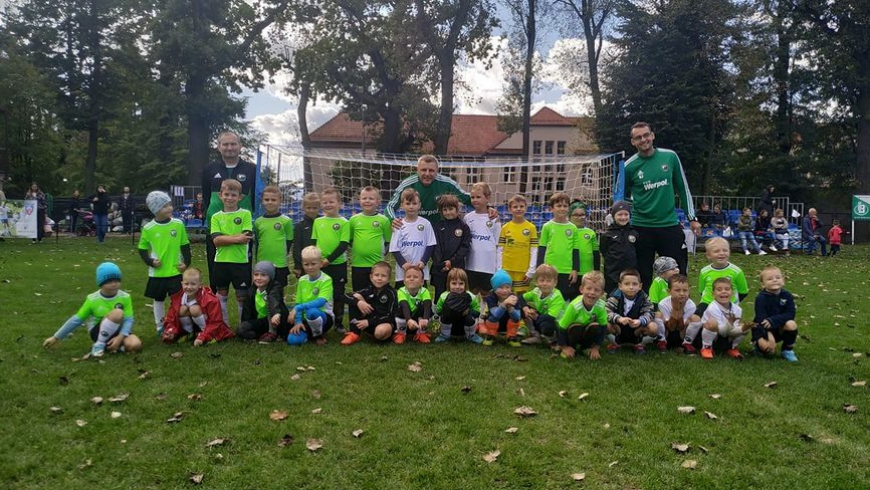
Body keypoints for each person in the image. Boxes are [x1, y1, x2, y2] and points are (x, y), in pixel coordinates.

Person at [622, 122, 701, 290]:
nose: (643, 140)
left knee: (677, 273)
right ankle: (645, 311)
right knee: (642, 275)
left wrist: (692, 218)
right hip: (641, 227)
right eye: (638, 137)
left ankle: (679, 311)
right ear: (632, 142)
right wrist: (634, 206)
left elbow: (683, 187)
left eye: (646, 135)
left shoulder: (670, 157)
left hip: (669, 224)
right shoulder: (629, 166)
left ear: (652, 135)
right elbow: (620, 196)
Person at [42, 262, 142, 357]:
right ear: (101, 283)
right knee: (117, 313)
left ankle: (113, 347)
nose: (114, 284)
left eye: (116, 281)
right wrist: (56, 337)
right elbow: (76, 320)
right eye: (109, 281)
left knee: (135, 345)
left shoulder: (125, 297)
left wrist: (120, 337)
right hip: (97, 332)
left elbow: (128, 319)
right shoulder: (92, 299)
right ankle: (99, 344)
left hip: (119, 331)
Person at [202, 131, 257, 289]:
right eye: (225, 144)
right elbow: (207, 197)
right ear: (218, 147)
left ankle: (244, 312)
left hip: (242, 231)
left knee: (243, 283)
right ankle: (216, 312)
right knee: (217, 282)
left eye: (233, 144)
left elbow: (255, 197)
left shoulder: (251, 169)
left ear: (240, 146)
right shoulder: (209, 169)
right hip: (216, 230)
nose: (229, 147)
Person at [138, 191, 191, 336]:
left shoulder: (178, 224)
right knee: (158, 299)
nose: (170, 208)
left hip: (175, 271)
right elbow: (142, 248)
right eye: (165, 206)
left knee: (178, 300)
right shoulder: (148, 228)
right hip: (158, 273)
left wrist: (186, 263)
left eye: (170, 205)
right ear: (155, 210)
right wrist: (150, 261)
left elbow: (185, 245)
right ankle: (160, 326)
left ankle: (179, 325)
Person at [682, 237, 749, 351]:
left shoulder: (736, 271)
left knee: (729, 326)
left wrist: (730, 302)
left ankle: (730, 346)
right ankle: (688, 342)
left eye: (725, 250)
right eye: (717, 251)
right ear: (708, 255)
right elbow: (701, 290)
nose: (721, 253)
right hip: (707, 302)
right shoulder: (704, 271)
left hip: (727, 304)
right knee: (694, 318)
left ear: (729, 252)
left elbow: (743, 292)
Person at [210, 179, 253, 325]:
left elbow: (246, 237)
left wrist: (224, 238)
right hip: (221, 261)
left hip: (240, 261)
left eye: (233, 195)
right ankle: (225, 325)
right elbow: (216, 241)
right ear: (220, 195)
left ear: (240, 197)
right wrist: (236, 238)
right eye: (226, 194)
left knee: (241, 295)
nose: (229, 198)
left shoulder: (245, 214)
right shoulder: (216, 217)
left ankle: (243, 325)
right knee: (221, 293)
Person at [385, 154, 472, 224]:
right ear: (417, 170)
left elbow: (467, 198)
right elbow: (390, 206)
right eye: (423, 170)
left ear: (437, 170)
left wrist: (486, 207)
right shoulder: (407, 184)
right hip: (416, 230)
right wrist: (392, 220)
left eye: (431, 170)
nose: (427, 174)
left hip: (439, 230)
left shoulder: (447, 183)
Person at [162, 268, 234, 345]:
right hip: (193, 326)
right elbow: (170, 318)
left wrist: (203, 337)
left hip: (210, 329)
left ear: (200, 285)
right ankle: (189, 333)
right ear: (182, 284)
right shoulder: (178, 298)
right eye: (186, 284)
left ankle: (206, 335)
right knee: (182, 309)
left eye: (193, 284)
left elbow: (216, 322)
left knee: (194, 309)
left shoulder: (210, 300)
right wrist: (171, 331)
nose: (189, 287)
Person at [311, 187, 350, 333]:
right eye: (325, 202)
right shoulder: (318, 222)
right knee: (321, 293)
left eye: (331, 202)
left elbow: (343, 245)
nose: (328, 205)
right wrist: (316, 260)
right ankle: (323, 320)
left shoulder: (344, 222)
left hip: (338, 264)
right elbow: (314, 243)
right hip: (320, 265)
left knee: (338, 294)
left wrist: (328, 259)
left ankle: (338, 323)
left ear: (340, 203)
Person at [341, 261, 401, 345]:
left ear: (389, 279)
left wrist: (369, 322)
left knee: (380, 332)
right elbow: (344, 296)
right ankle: (354, 333)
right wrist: (359, 303)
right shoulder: (369, 290)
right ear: (371, 277)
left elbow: (392, 316)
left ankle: (390, 334)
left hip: (383, 322)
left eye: (383, 276)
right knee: (356, 296)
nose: (379, 278)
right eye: (376, 275)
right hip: (368, 320)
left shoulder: (392, 293)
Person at [389, 188, 436, 288]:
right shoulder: (399, 224)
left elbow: (431, 244)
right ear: (402, 205)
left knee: (421, 298)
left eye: (414, 203)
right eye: (408, 203)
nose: (411, 206)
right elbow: (394, 248)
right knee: (402, 299)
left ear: (419, 205)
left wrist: (423, 261)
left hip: (420, 270)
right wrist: (404, 264)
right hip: (403, 273)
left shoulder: (426, 223)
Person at [537, 192, 580, 302]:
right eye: (559, 206)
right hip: (550, 268)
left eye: (565, 206)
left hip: (567, 269)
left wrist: (575, 269)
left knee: (564, 296)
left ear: (569, 208)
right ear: (552, 208)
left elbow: (575, 250)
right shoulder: (547, 226)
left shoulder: (573, 228)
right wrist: (540, 267)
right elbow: (542, 248)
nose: (562, 209)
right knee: (549, 296)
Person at [556, 270, 608, 360]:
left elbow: (603, 328)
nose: (592, 292)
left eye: (596, 290)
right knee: (576, 327)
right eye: (589, 288)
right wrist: (564, 347)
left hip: (587, 331)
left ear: (602, 293)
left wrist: (597, 348)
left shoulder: (601, 306)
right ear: (581, 289)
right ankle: (571, 347)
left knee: (595, 326)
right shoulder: (575, 306)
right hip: (572, 332)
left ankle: (586, 347)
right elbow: (562, 327)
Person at [287, 246, 334, 346]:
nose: (310, 267)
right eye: (306, 264)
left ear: (321, 263)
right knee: (292, 340)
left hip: (323, 317)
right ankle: (309, 334)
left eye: (313, 264)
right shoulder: (302, 280)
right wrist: (298, 321)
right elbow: (298, 302)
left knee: (312, 312)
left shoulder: (326, 280)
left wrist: (298, 308)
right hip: (306, 318)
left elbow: (321, 301)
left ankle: (319, 335)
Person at [348, 186, 392, 292]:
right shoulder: (353, 220)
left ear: (378, 201)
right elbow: (350, 240)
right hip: (358, 264)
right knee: (359, 295)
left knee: (378, 295)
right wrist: (360, 251)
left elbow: (388, 242)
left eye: (371, 199)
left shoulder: (384, 220)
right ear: (360, 200)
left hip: (377, 266)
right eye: (364, 198)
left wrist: (381, 256)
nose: (367, 201)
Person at [253, 185, 293, 296]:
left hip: (279, 264)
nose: (270, 202)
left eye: (273, 200)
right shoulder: (258, 222)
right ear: (262, 201)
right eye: (267, 200)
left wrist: (283, 256)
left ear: (280, 201)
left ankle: (279, 312)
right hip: (263, 262)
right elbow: (257, 241)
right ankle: (263, 313)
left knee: (279, 293)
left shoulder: (286, 221)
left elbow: (289, 241)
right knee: (262, 292)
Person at [237, 261, 290, 343]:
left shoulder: (275, 287)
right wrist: (246, 324)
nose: (259, 278)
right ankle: (261, 335)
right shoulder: (251, 291)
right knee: (241, 329)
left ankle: (276, 333)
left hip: (274, 319)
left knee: (270, 303)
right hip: (260, 321)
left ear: (271, 277)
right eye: (256, 275)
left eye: (263, 275)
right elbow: (246, 311)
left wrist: (276, 313)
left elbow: (274, 299)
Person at [605, 269, 656, 354]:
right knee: (605, 324)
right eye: (627, 284)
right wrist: (619, 319)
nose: (631, 287)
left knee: (653, 327)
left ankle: (640, 344)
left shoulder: (644, 298)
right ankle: (614, 343)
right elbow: (606, 311)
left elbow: (650, 312)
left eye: (635, 284)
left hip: (636, 330)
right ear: (620, 286)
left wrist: (640, 321)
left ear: (640, 286)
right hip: (619, 328)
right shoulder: (615, 297)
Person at [698, 277, 750, 360]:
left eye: (727, 289)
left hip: (726, 335)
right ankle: (706, 348)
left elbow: (732, 330)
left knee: (744, 327)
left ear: (732, 292)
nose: (723, 291)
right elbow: (721, 331)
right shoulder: (712, 308)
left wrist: (742, 329)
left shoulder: (737, 309)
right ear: (713, 294)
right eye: (719, 289)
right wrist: (729, 324)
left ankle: (732, 348)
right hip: (711, 337)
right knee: (712, 323)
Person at [464, 182, 501, 298]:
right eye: (473, 197)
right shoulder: (468, 218)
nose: (475, 200)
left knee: (487, 293)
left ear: (488, 198)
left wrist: (499, 266)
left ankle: (485, 314)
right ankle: (475, 314)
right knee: (472, 292)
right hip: (471, 264)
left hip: (488, 265)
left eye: (478, 197)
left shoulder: (494, 219)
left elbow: (498, 244)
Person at [498, 194, 538, 296]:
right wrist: (499, 268)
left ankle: (521, 312)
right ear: (510, 209)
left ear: (526, 208)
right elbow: (500, 249)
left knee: (521, 296)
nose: (518, 209)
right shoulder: (505, 228)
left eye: (521, 206)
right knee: (506, 294)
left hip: (522, 269)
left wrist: (531, 270)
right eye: (515, 207)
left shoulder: (531, 228)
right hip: (507, 268)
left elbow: (534, 250)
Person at [432, 194, 471, 300]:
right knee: (439, 294)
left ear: (457, 209)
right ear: (441, 211)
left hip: (456, 267)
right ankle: (437, 315)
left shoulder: (464, 227)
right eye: (445, 209)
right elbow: (435, 247)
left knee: (456, 293)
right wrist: (441, 263)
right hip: (440, 269)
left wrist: (451, 262)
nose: (448, 212)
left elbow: (465, 247)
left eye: (451, 209)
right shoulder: (437, 226)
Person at [434, 267, 483, 344]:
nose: (457, 287)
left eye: (461, 283)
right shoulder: (443, 296)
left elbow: (477, 312)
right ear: (448, 284)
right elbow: (438, 311)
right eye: (454, 283)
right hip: (450, 326)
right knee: (445, 316)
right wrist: (447, 311)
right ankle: (444, 335)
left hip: (464, 327)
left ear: (465, 284)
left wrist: (468, 312)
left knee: (469, 318)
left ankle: (471, 335)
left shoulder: (471, 296)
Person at [599, 201, 639, 295]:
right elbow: (604, 251)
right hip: (612, 276)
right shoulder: (607, 235)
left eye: (626, 214)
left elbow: (638, 251)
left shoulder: (634, 233)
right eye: (619, 214)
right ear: (614, 216)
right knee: (613, 301)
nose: (623, 217)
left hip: (630, 275)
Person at [521, 264, 566, 346]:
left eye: (549, 281)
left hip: (557, 324)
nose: (545, 283)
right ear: (536, 282)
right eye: (542, 280)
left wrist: (536, 316)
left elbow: (551, 317)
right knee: (522, 308)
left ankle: (554, 339)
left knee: (546, 324)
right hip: (541, 317)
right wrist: (525, 309)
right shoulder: (536, 291)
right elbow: (521, 298)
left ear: (555, 282)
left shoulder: (557, 296)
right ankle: (536, 336)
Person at [654, 274, 700, 351]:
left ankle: (687, 343)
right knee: (658, 315)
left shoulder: (691, 305)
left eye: (685, 290)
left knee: (696, 318)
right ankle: (661, 341)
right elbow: (671, 328)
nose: (682, 293)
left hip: (682, 334)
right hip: (668, 333)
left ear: (689, 291)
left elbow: (680, 327)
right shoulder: (663, 304)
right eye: (677, 290)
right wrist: (675, 309)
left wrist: (680, 309)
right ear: (669, 291)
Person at [481, 270, 524, 347]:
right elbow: (495, 315)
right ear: (494, 288)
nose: (504, 291)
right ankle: (491, 335)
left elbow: (517, 317)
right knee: (492, 318)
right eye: (500, 287)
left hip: (508, 323)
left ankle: (511, 336)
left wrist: (510, 308)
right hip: (494, 322)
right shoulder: (491, 297)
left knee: (515, 319)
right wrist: (504, 305)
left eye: (507, 287)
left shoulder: (513, 298)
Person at [395, 266, 433, 344]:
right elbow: (404, 305)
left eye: (415, 277)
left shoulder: (424, 291)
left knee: (426, 308)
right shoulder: (401, 291)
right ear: (404, 281)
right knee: (400, 308)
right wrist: (408, 319)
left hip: (418, 322)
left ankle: (421, 333)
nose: (411, 279)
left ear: (422, 282)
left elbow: (427, 305)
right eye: (408, 277)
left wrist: (425, 318)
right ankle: (401, 333)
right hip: (406, 319)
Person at [569, 202, 600, 286]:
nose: (579, 217)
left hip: (587, 274)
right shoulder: (567, 231)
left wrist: (597, 271)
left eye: (582, 215)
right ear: (569, 216)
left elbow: (596, 254)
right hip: (570, 273)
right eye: (575, 215)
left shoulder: (590, 233)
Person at [293, 192, 321, 278]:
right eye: (308, 208)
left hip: (321, 263)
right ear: (303, 208)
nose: (311, 210)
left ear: (319, 207)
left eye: (314, 208)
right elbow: (297, 247)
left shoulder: (323, 223)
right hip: (306, 265)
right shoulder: (299, 226)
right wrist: (298, 266)